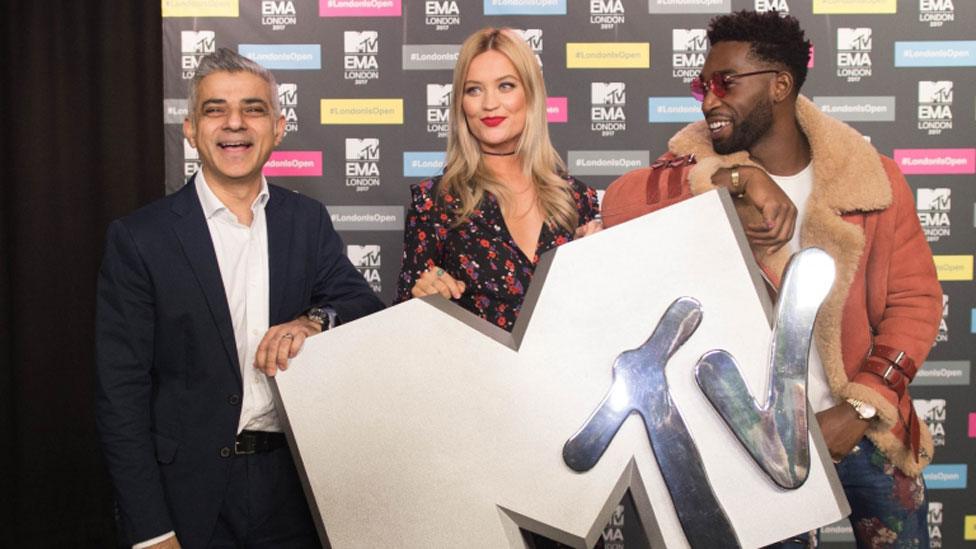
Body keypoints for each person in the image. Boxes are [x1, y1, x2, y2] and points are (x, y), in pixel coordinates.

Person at [601, 10, 942, 547]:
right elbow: (618, 206)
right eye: (702, 84)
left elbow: (916, 301)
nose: (710, 99)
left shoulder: (870, 178)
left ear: (780, 84)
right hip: (747, 439)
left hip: (865, 433)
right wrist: (730, 179)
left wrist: (859, 406)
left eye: (725, 82)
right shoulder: (692, 173)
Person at [96, 48, 384, 549]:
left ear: (279, 126)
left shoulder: (306, 221)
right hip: (187, 498)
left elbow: (361, 307)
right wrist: (151, 531)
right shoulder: (141, 238)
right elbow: (119, 397)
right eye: (215, 109)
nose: (235, 123)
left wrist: (313, 321)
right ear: (190, 128)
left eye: (253, 109)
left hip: (296, 492)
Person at [395, 27, 600, 331]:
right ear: (461, 105)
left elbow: (604, 314)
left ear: (530, 93)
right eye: (474, 90)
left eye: (505, 86)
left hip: (567, 374)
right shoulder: (435, 202)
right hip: (474, 375)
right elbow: (400, 330)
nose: (489, 103)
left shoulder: (577, 198)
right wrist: (422, 298)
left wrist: (601, 267)